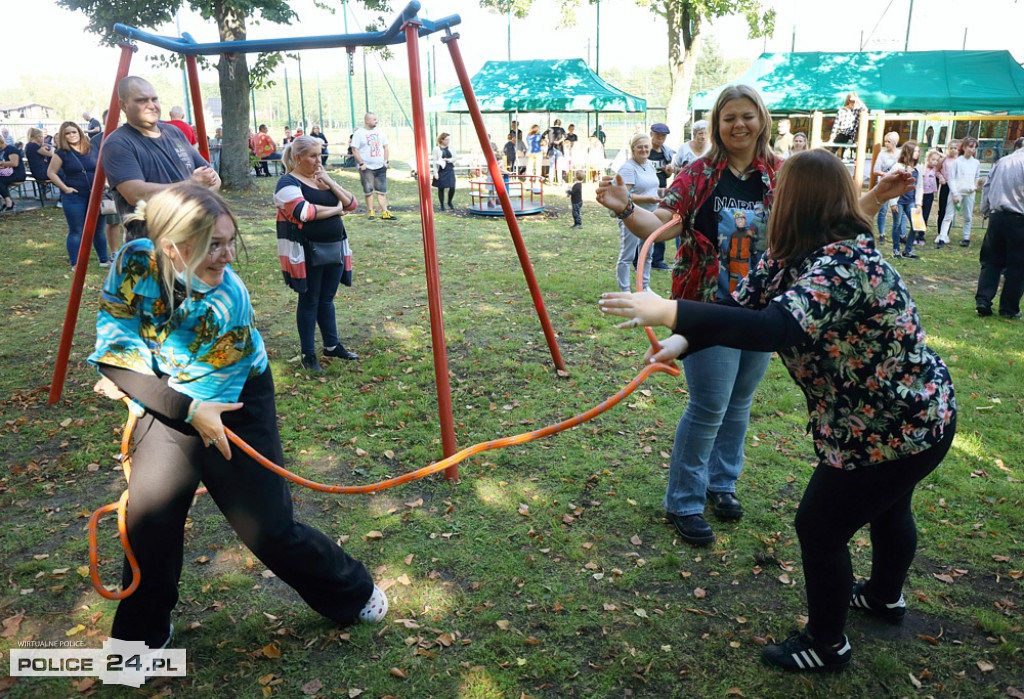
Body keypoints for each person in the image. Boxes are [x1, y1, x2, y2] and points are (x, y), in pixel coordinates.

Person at [598, 150, 955, 674]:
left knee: (820, 526)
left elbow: (775, 330)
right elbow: (740, 311)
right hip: (892, 421)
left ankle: (827, 644)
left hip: (899, 425)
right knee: (887, 507)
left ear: (795, 201)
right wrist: (683, 339)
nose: (770, 201)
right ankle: (883, 598)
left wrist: (669, 307)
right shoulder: (789, 255)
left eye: (779, 193)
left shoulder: (847, 263)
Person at [90, 182, 386, 650]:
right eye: (215, 246)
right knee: (150, 524)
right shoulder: (133, 261)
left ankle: (352, 590)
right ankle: (140, 639)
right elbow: (114, 352)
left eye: (231, 242)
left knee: (266, 528)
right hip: (172, 397)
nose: (228, 256)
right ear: (170, 246)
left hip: (232, 399)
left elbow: (201, 405)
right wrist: (134, 377)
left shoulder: (226, 299)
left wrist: (137, 381)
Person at [596, 85, 780, 547]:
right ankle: (685, 501)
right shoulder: (699, 174)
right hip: (705, 306)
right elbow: (659, 225)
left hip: (760, 309)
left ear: (762, 119)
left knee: (739, 404)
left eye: (747, 116)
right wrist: (624, 207)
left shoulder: (780, 174)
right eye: (728, 117)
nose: (739, 125)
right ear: (716, 125)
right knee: (709, 406)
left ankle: (723, 484)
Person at [275, 136, 361, 372]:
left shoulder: (321, 180)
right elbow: (303, 211)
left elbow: (352, 204)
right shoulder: (287, 183)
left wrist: (330, 182)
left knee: (326, 299)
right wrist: (335, 209)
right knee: (310, 300)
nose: (318, 160)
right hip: (306, 252)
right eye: (312, 155)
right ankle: (308, 354)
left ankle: (332, 346)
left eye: (320, 154)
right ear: (297, 157)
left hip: (334, 248)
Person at [101, 76, 220, 241]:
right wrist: (193, 186)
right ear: (123, 105)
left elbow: (213, 179)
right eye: (142, 100)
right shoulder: (118, 143)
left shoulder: (174, 132)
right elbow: (135, 194)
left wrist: (199, 194)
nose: (151, 106)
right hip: (153, 245)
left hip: (195, 236)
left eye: (154, 99)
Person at [47, 121, 111, 270]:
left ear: (79, 132)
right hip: (74, 197)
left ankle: (104, 259)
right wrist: (65, 188)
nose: (71, 135)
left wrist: (106, 183)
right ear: (63, 136)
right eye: (67, 133)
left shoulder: (93, 149)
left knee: (99, 229)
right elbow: (51, 172)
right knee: (77, 230)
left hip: (96, 195)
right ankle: (76, 263)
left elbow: (103, 167)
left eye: (73, 132)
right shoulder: (61, 153)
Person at [974, 142, 1024, 318]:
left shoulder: (1002, 161)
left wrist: (986, 210)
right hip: (1019, 218)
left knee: (991, 261)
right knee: (1017, 266)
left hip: (997, 216)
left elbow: (987, 186)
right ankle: (1009, 309)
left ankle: (983, 300)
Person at [613, 133, 661, 293]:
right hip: (631, 216)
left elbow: (652, 187)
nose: (644, 149)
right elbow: (623, 196)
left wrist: (665, 192)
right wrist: (648, 198)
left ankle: (644, 287)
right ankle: (625, 290)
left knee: (647, 252)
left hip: (651, 216)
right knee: (627, 254)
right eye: (640, 147)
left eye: (646, 146)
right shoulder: (628, 168)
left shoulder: (649, 165)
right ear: (633, 148)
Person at [89, 111, 126, 256]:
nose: (116, 123)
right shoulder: (97, 140)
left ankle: (132, 250)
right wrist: (105, 182)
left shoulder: (130, 136)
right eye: (112, 120)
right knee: (113, 221)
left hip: (133, 183)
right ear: (105, 122)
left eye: (118, 119)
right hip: (111, 186)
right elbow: (95, 164)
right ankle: (115, 252)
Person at [937, 135, 981, 248]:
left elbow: (977, 176)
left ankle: (966, 238)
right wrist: (955, 193)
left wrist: (974, 186)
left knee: (967, 216)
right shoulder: (958, 162)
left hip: (969, 193)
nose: (972, 149)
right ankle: (942, 237)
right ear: (965, 147)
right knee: (948, 215)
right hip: (957, 192)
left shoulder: (976, 162)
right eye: (970, 147)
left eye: (974, 147)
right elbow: (951, 178)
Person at [351, 112, 394, 220]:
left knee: (381, 191)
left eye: (376, 119)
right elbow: (354, 149)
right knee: (368, 190)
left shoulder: (380, 132)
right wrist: (361, 164)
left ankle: (385, 212)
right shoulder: (359, 133)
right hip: (366, 168)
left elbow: (386, 146)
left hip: (380, 166)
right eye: (374, 119)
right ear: (367, 120)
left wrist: (386, 161)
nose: (376, 121)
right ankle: (371, 211)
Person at [646, 123, 676, 271]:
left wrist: (669, 171)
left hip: (661, 192)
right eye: (658, 135)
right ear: (651, 134)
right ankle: (640, 258)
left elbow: (668, 174)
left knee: (660, 225)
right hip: (646, 192)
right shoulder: (645, 150)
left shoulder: (667, 153)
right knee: (644, 224)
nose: (660, 138)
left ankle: (657, 260)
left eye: (663, 136)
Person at [888, 141, 921, 259]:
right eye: (915, 151)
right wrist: (893, 202)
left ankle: (908, 250)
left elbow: (919, 186)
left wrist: (919, 204)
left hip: (911, 201)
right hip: (899, 201)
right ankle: (896, 250)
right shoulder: (898, 167)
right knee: (897, 225)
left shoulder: (918, 168)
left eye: (918, 151)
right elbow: (891, 184)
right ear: (908, 152)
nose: (917, 153)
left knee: (915, 225)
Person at [872, 131, 900, 244]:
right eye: (885, 141)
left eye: (888, 141)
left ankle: (898, 234)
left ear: (894, 142)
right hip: (884, 183)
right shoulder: (882, 155)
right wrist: (884, 174)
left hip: (896, 185)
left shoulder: (900, 154)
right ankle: (881, 234)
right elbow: (875, 170)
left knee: (897, 210)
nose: (886, 144)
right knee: (882, 210)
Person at [933, 140, 959, 248]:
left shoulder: (960, 160)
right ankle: (940, 233)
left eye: (955, 148)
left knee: (950, 211)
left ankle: (946, 234)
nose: (953, 150)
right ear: (948, 148)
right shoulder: (944, 159)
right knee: (942, 209)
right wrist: (941, 177)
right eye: (951, 148)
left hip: (955, 187)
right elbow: (936, 170)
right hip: (945, 185)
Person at [915, 149, 943, 244]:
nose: (935, 162)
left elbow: (944, 158)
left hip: (929, 195)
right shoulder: (923, 168)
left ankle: (921, 235)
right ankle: (915, 234)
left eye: (936, 160)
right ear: (928, 159)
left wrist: (937, 152)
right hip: (921, 194)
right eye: (933, 160)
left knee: (925, 215)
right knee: (918, 215)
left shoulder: (935, 169)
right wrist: (928, 155)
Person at [829, 92, 865, 159]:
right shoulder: (842, 110)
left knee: (845, 153)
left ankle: (844, 163)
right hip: (841, 133)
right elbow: (836, 125)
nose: (852, 103)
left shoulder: (857, 110)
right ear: (848, 100)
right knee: (832, 152)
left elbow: (865, 110)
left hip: (851, 135)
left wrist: (858, 100)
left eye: (854, 101)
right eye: (851, 101)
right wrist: (832, 138)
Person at [431, 132, 457, 211]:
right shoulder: (436, 149)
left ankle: (449, 202)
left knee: (452, 186)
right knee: (441, 188)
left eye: (449, 139)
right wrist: (435, 173)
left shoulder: (451, 147)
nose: (448, 141)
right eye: (446, 139)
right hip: (441, 169)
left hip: (449, 168)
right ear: (441, 140)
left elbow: (455, 158)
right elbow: (435, 162)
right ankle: (442, 204)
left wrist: (448, 160)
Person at [0, 136, 25, 212]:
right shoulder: (1, 151)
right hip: (6, 173)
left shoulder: (11, 149)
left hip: (17, 174)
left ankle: (8, 201)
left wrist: (1, 163)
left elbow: (14, 163)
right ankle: (4, 201)